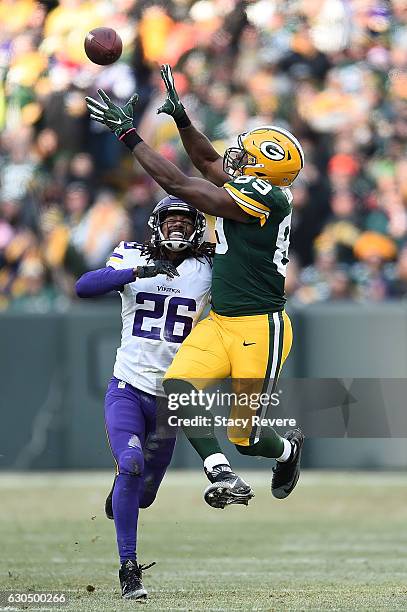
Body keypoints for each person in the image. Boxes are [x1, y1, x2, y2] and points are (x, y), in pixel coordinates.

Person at [85, 65, 305, 512]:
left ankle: (287, 451)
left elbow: (180, 183)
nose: (236, 158)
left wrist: (130, 135)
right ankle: (220, 473)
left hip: (260, 327)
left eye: (247, 155)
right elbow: (206, 162)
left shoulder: (268, 198)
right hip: (221, 320)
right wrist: (183, 121)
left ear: (265, 168)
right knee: (178, 387)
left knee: (246, 437)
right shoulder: (256, 186)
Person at [75, 196, 213, 599]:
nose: (177, 228)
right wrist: (137, 271)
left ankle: (122, 493)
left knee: (144, 494)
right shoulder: (132, 255)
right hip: (129, 388)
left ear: (197, 229)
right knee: (131, 465)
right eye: (170, 220)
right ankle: (128, 569)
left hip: (170, 399)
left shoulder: (206, 269)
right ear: (156, 225)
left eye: (184, 222)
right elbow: (84, 287)